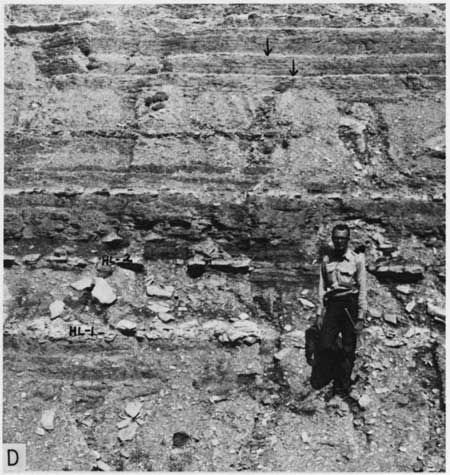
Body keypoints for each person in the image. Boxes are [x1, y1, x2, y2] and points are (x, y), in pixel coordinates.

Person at [311, 223, 367, 395]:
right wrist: (320, 313)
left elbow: (363, 287)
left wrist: (360, 316)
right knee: (325, 344)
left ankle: (342, 387)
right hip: (333, 305)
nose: (339, 241)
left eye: (343, 238)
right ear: (332, 239)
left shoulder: (357, 259)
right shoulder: (327, 260)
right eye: (336, 238)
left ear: (348, 240)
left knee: (349, 347)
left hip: (349, 303)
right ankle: (331, 372)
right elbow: (321, 288)